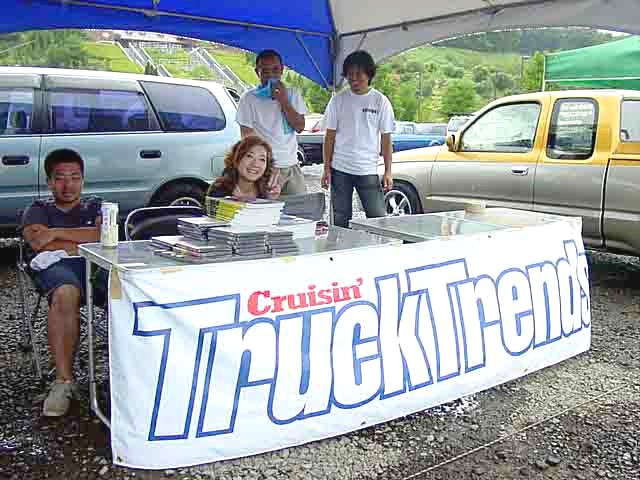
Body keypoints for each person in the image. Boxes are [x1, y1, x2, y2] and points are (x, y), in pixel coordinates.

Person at [21, 149, 105, 417]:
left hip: (96, 265)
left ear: (83, 180)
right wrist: (83, 240)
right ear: (49, 182)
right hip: (54, 267)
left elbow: (104, 235)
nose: (68, 185)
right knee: (66, 292)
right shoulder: (37, 209)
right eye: (60, 178)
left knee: (129, 289)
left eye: (75, 177)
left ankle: (133, 372)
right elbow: (38, 243)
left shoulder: (96, 205)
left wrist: (55, 233)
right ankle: (63, 381)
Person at [321, 50, 395, 228]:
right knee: (340, 219)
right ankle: (339, 245)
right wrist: (326, 168)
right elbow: (329, 137)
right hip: (340, 169)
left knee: (378, 218)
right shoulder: (338, 100)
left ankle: (380, 245)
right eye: (349, 74)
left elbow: (386, 139)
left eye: (358, 74)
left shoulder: (380, 101)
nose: (353, 78)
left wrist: (388, 171)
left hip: (367, 169)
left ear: (369, 74)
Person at [235, 49, 308, 195]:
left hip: (292, 164)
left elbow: (300, 127)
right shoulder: (249, 99)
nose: (271, 76)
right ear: (257, 72)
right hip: (266, 168)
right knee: (267, 206)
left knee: (300, 206)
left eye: (275, 70)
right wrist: (262, 163)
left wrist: (283, 100)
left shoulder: (293, 94)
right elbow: (247, 137)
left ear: (282, 70)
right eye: (265, 71)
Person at [206, 136, 281, 201]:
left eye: (262, 159)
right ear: (236, 159)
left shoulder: (266, 190)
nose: (255, 164)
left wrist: (270, 200)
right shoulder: (219, 189)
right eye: (249, 156)